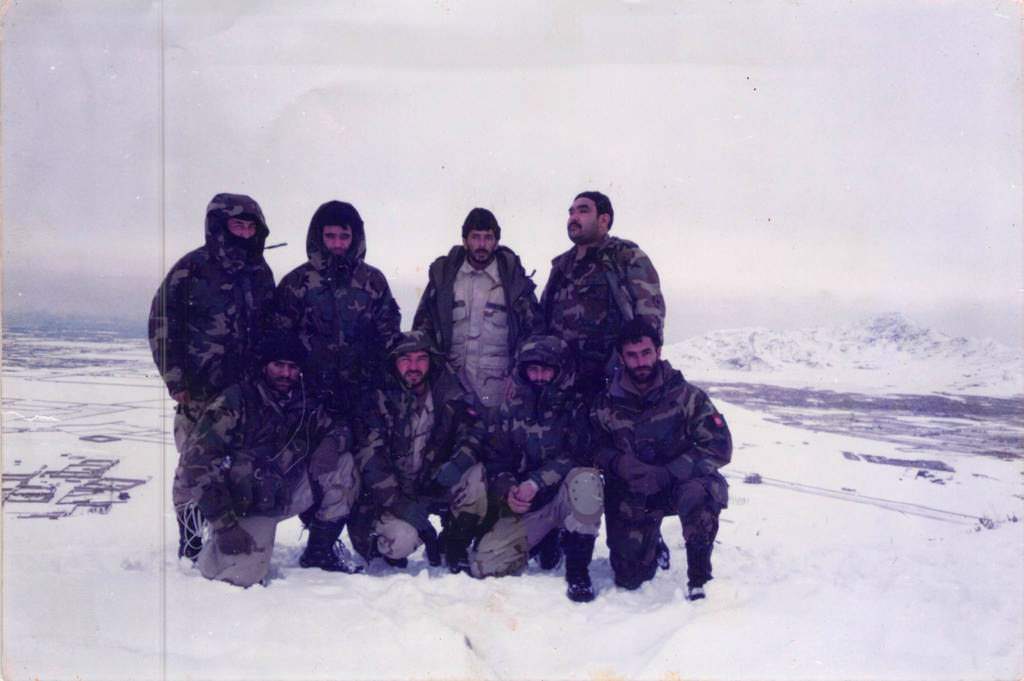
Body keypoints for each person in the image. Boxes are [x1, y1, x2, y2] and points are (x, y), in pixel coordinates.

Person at [178, 332, 362, 587]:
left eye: (292, 367)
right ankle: (208, 551)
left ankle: (319, 552)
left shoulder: (305, 400)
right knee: (241, 576)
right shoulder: (235, 401)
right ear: (265, 366)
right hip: (241, 505)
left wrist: (332, 443)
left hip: (282, 495)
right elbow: (196, 464)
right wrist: (224, 525)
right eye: (278, 366)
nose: (286, 374)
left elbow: (339, 427)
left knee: (344, 465)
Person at [148, 193, 276, 559]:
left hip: (245, 392)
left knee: (238, 466)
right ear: (220, 226)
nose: (245, 232)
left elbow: (271, 327)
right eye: (238, 225)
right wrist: (176, 380)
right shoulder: (192, 269)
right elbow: (161, 323)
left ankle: (228, 530)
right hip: (200, 391)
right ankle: (190, 540)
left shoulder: (259, 273)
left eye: (251, 227)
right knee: (192, 466)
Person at [591, 319, 732, 600]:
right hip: (634, 492)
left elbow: (719, 446)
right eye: (631, 355)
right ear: (622, 357)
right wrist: (618, 463)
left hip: (679, 485)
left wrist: (669, 472)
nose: (639, 361)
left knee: (700, 492)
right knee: (629, 577)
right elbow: (591, 446)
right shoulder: (607, 401)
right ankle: (652, 541)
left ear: (658, 351)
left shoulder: (687, 396)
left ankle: (700, 578)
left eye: (645, 353)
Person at [470, 335, 604, 602]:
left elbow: (579, 455)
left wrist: (536, 482)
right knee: (485, 565)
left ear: (559, 370)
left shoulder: (576, 406)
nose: (540, 376)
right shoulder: (508, 410)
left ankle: (578, 570)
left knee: (587, 480)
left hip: (565, 498)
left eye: (546, 369)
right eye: (533, 369)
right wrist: (509, 490)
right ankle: (545, 539)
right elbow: (496, 462)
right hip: (528, 507)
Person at [348, 331, 488, 573]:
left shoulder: (448, 392)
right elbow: (371, 462)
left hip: (430, 485)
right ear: (394, 362)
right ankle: (384, 544)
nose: (414, 367)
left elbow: (474, 432)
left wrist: (456, 464)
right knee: (400, 542)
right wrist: (404, 508)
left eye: (421, 359)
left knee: (475, 475)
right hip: (389, 496)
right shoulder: (377, 398)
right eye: (405, 359)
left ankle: (454, 544)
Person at [275, 200, 401, 414]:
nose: (337, 244)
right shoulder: (296, 281)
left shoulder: (373, 280)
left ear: (355, 239)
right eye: (330, 236)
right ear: (319, 237)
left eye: (344, 237)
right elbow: (280, 339)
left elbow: (389, 336)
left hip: (364, 394)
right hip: (308, 395)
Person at [413, 207, 541, 414]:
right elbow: (422, 330)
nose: (482, 245)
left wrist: (519, 377)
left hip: (499, 397)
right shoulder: (445, 280)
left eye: (488, 238)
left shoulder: (514, 283)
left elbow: (534, 334)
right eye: (475, 237)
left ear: (496, 241)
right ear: (465, 240)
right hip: (450, 394)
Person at [540, 191, 665, 401]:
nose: (573, 217)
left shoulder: (625, 256)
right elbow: (542, 318)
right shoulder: (562, 266)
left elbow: (649, 320)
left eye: (583, 210)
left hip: (611, 383)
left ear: (604, 219)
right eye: (571, 212)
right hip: (563, 382)